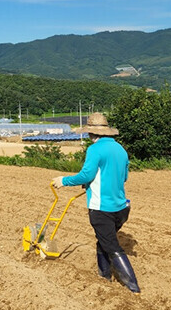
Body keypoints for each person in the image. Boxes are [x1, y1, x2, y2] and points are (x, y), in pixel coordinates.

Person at [51, 112, 140, 293]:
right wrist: (91, 183)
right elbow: (123, 177)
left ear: (91, 133)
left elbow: (87, 175)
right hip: (121, 208)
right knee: (103, 240)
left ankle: (133, 287)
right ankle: (104, 276)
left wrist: (64, 181)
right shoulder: (120, 149)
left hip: (101, 209)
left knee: (111, 245)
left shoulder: (94, 149)